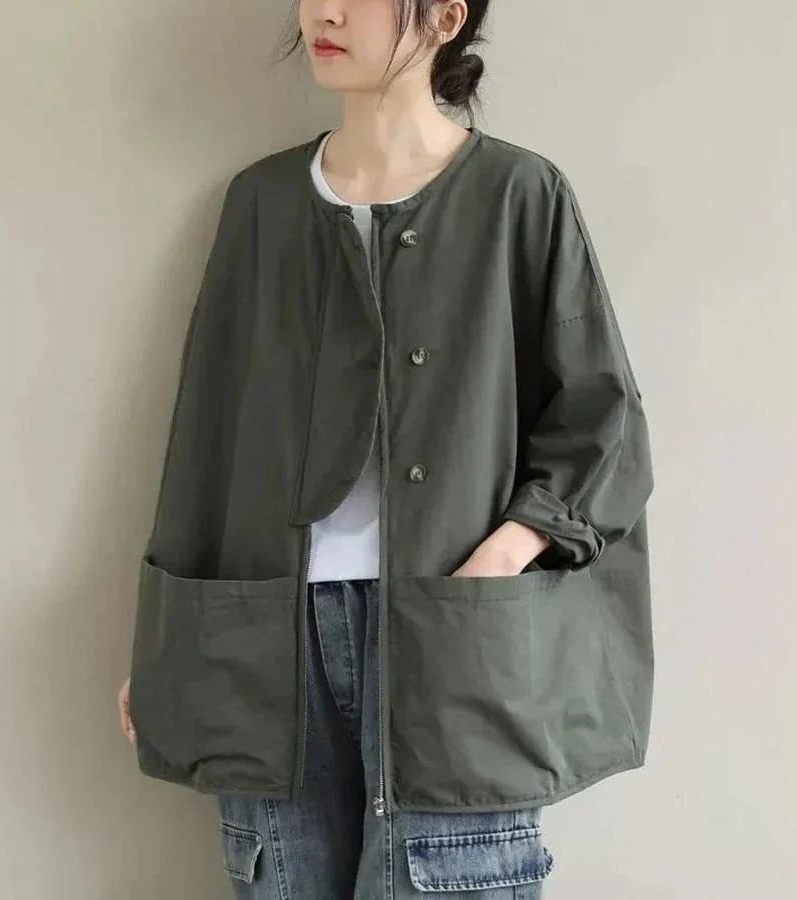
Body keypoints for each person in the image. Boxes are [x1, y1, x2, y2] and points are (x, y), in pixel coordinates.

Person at [118, 1, 655, 897]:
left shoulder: (518, 195)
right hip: (267, 645)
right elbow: (206, 441)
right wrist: (170, 645)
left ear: (445, 16)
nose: (323, 12)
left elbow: (605, 422)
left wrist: (504, 554)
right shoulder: (261, 202)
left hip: (456, 635)